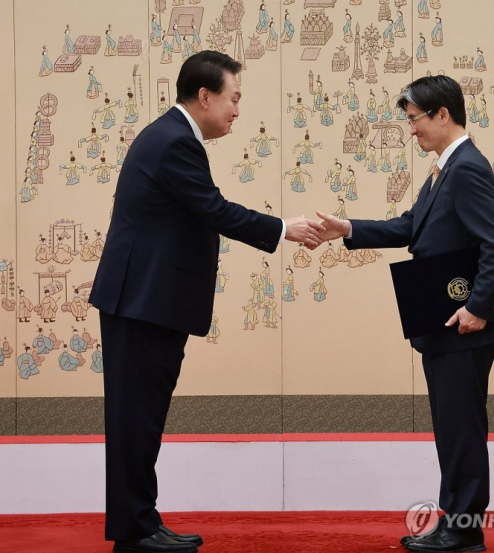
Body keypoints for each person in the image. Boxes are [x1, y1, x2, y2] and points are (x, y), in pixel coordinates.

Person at [89, 50, 323, 553]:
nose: (238, 110)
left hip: (147, 301)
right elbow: (213, 210)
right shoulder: (175, 142)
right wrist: (285, 228)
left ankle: (141, 522)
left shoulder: (171, 137)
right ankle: (135, 531)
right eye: (233, 98)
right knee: (136, 419)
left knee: (142, 417)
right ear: (205, 96)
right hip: (142, 302)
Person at [317, 75, 494, 553]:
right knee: (452, 426)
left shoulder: (465, 167)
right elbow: (411, 227)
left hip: (462, 326)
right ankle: (456, 523)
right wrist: (348, 227)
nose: (411, 130)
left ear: (443, 114)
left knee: (461, 429)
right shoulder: (444, 168)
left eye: (415, 119)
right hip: (442, 324)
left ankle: (463, 531)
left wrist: (477, 309)